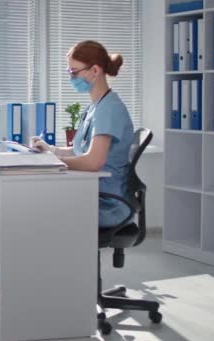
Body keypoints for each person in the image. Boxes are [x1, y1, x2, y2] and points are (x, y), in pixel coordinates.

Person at [31, 40, 134, 228]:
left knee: (41, 214)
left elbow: (93, 161)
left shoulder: (109, 108)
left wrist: (54, 163)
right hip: (90, 192)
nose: (71, 77)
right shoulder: (96, 106)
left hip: (106, 203)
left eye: (74, 72)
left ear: (94, 71)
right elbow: (81, 150)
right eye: (68, 72)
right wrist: (51, 150)